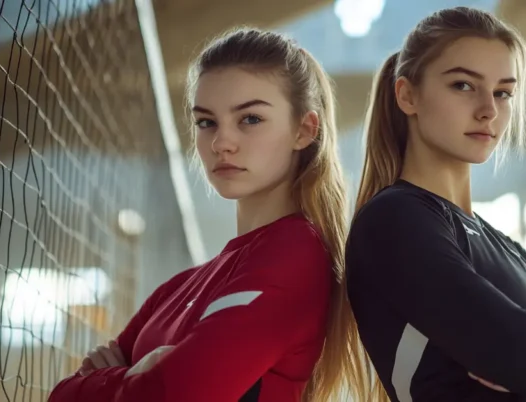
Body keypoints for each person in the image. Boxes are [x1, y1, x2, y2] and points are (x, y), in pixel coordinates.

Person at [48, 27, 371, 402]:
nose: (221, 143)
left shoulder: (295, 255)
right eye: (206, 122)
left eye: (250, 119)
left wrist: (108, 377)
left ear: (304, 130)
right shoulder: (178, 288)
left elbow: (171, 396)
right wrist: (130, 379)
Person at [345, 7, 526, 402]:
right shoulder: (394, 221)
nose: (489, 110)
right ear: (407, 95)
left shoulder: (493, 239)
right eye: (464, 85)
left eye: (503, 92)